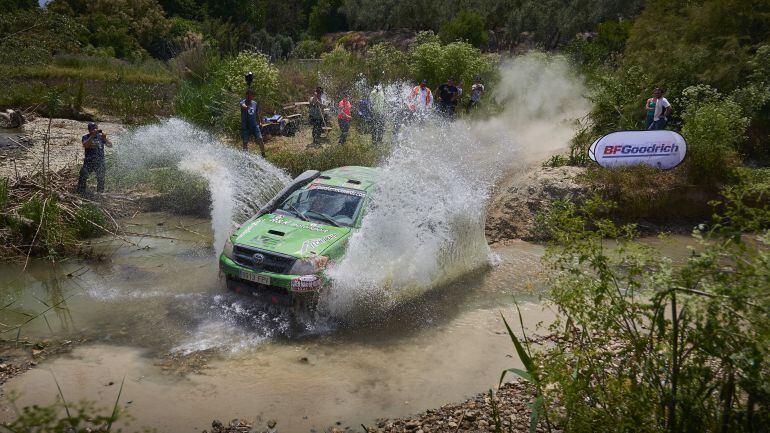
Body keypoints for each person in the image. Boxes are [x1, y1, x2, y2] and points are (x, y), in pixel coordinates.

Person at [77, 122, 112, 194]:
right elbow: (85, 145)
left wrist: (105, 139)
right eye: (93, 129)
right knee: (83, 175)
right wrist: (92, 136)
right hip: (89, 161)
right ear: (89, 130)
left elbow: (110, 145)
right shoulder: (85, 137)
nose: (95, 130)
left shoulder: (101, 137)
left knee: (101, 178)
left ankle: (100, 194)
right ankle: (81, 192)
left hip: (100, 161)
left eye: (96, 128)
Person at [240, 89, 265, 157]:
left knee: (260, 138)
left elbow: (256, 114)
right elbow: (243, 106)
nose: (250, 97)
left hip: (254, 125)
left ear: (253, 96)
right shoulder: (242, 102)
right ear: (246, 95)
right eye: (248, 95)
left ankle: (263, 154)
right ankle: (245, 156)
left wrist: (259, 122)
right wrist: (246, 107)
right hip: (245, 127)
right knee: (245, 142)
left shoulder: (255, 103)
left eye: (251, 95)